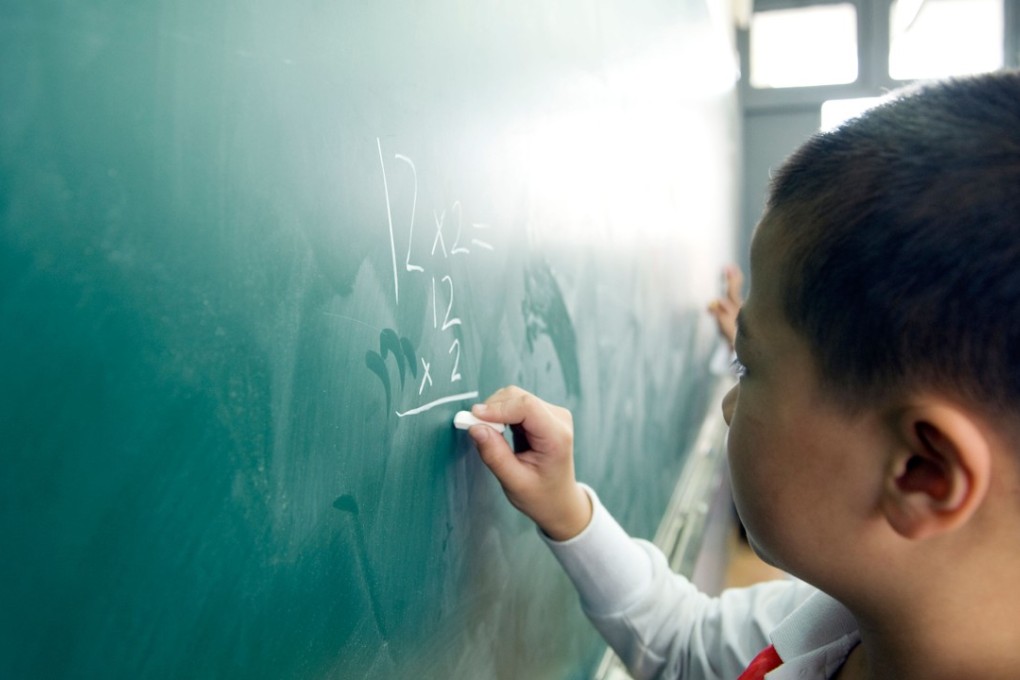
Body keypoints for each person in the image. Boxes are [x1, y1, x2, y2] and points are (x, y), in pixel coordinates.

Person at [466, 69, 1020, 680]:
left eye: (746, 365)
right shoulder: (850, 619)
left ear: (921, 471)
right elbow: (685, 645)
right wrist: (565, 507)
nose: (729, 405)